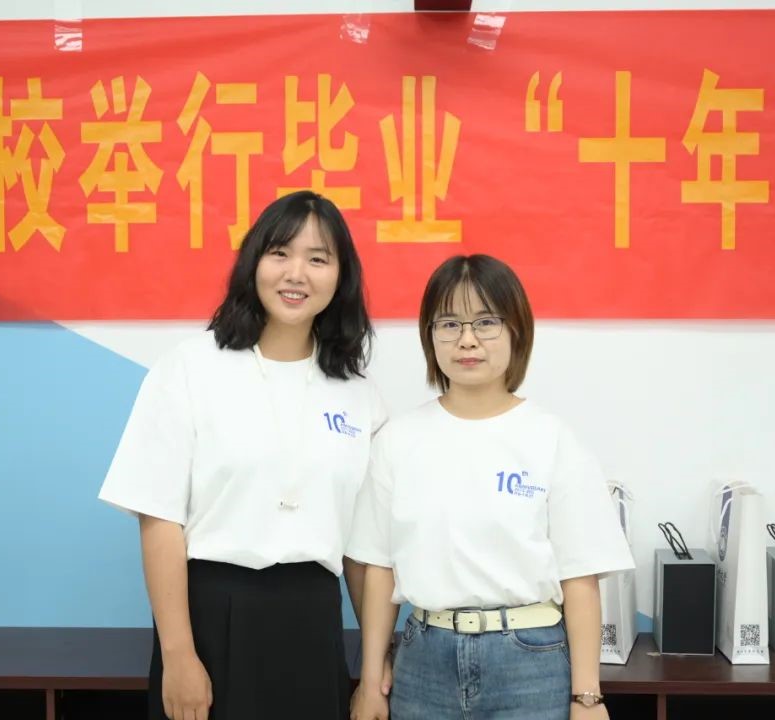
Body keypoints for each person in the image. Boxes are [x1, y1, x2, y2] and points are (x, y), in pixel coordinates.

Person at [99, 191, 386, 720]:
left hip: (313, 620)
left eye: (318, 258)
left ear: (340, 276)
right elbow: (159, 519)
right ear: (253, 262)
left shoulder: (357, 394)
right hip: (211, 617)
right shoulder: (190, 367)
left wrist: (374, 666)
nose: (296, 273)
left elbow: (363, 549)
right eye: (280, 253)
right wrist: (179, 655)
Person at [348, 254, 634, 720]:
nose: (467, 340)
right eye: (449, 324)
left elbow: (579, 578)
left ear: (516, 330)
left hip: (530, 663)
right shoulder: (398, 440)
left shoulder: (552, 439)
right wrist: (369, 681)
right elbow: (379, 569)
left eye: (485, 322)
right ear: (429, 336)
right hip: (424, 662)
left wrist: (588, 697)